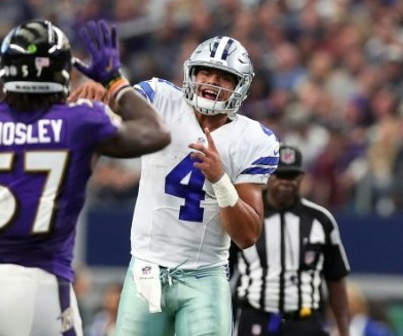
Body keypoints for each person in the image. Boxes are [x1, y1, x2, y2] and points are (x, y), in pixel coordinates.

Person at [0, 19, 172, 335]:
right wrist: (114, 81)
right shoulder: (81, 121)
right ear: (61, 72)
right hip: (41, 282)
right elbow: (157, 133)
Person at [73, 35, 281, 336]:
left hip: (204, 277)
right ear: (191, 73)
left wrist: (221, 180)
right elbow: (115, 106)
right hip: (147, 267)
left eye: (224, 77)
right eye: (205, 72)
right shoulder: (162, 99)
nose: (212, 81)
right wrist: (102, 95)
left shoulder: (253, 140)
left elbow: (247, 235)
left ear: (240, 86)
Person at [231, 144, 351, 336]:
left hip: (304, 320)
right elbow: (223, 269)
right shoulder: (247, 214)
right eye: (280, 176)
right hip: (255, 316)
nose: (286, 184)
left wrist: (344, 331)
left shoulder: (321, 220)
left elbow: (335, 278)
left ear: (301, 178)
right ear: (268, 176)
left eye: (292, 177)